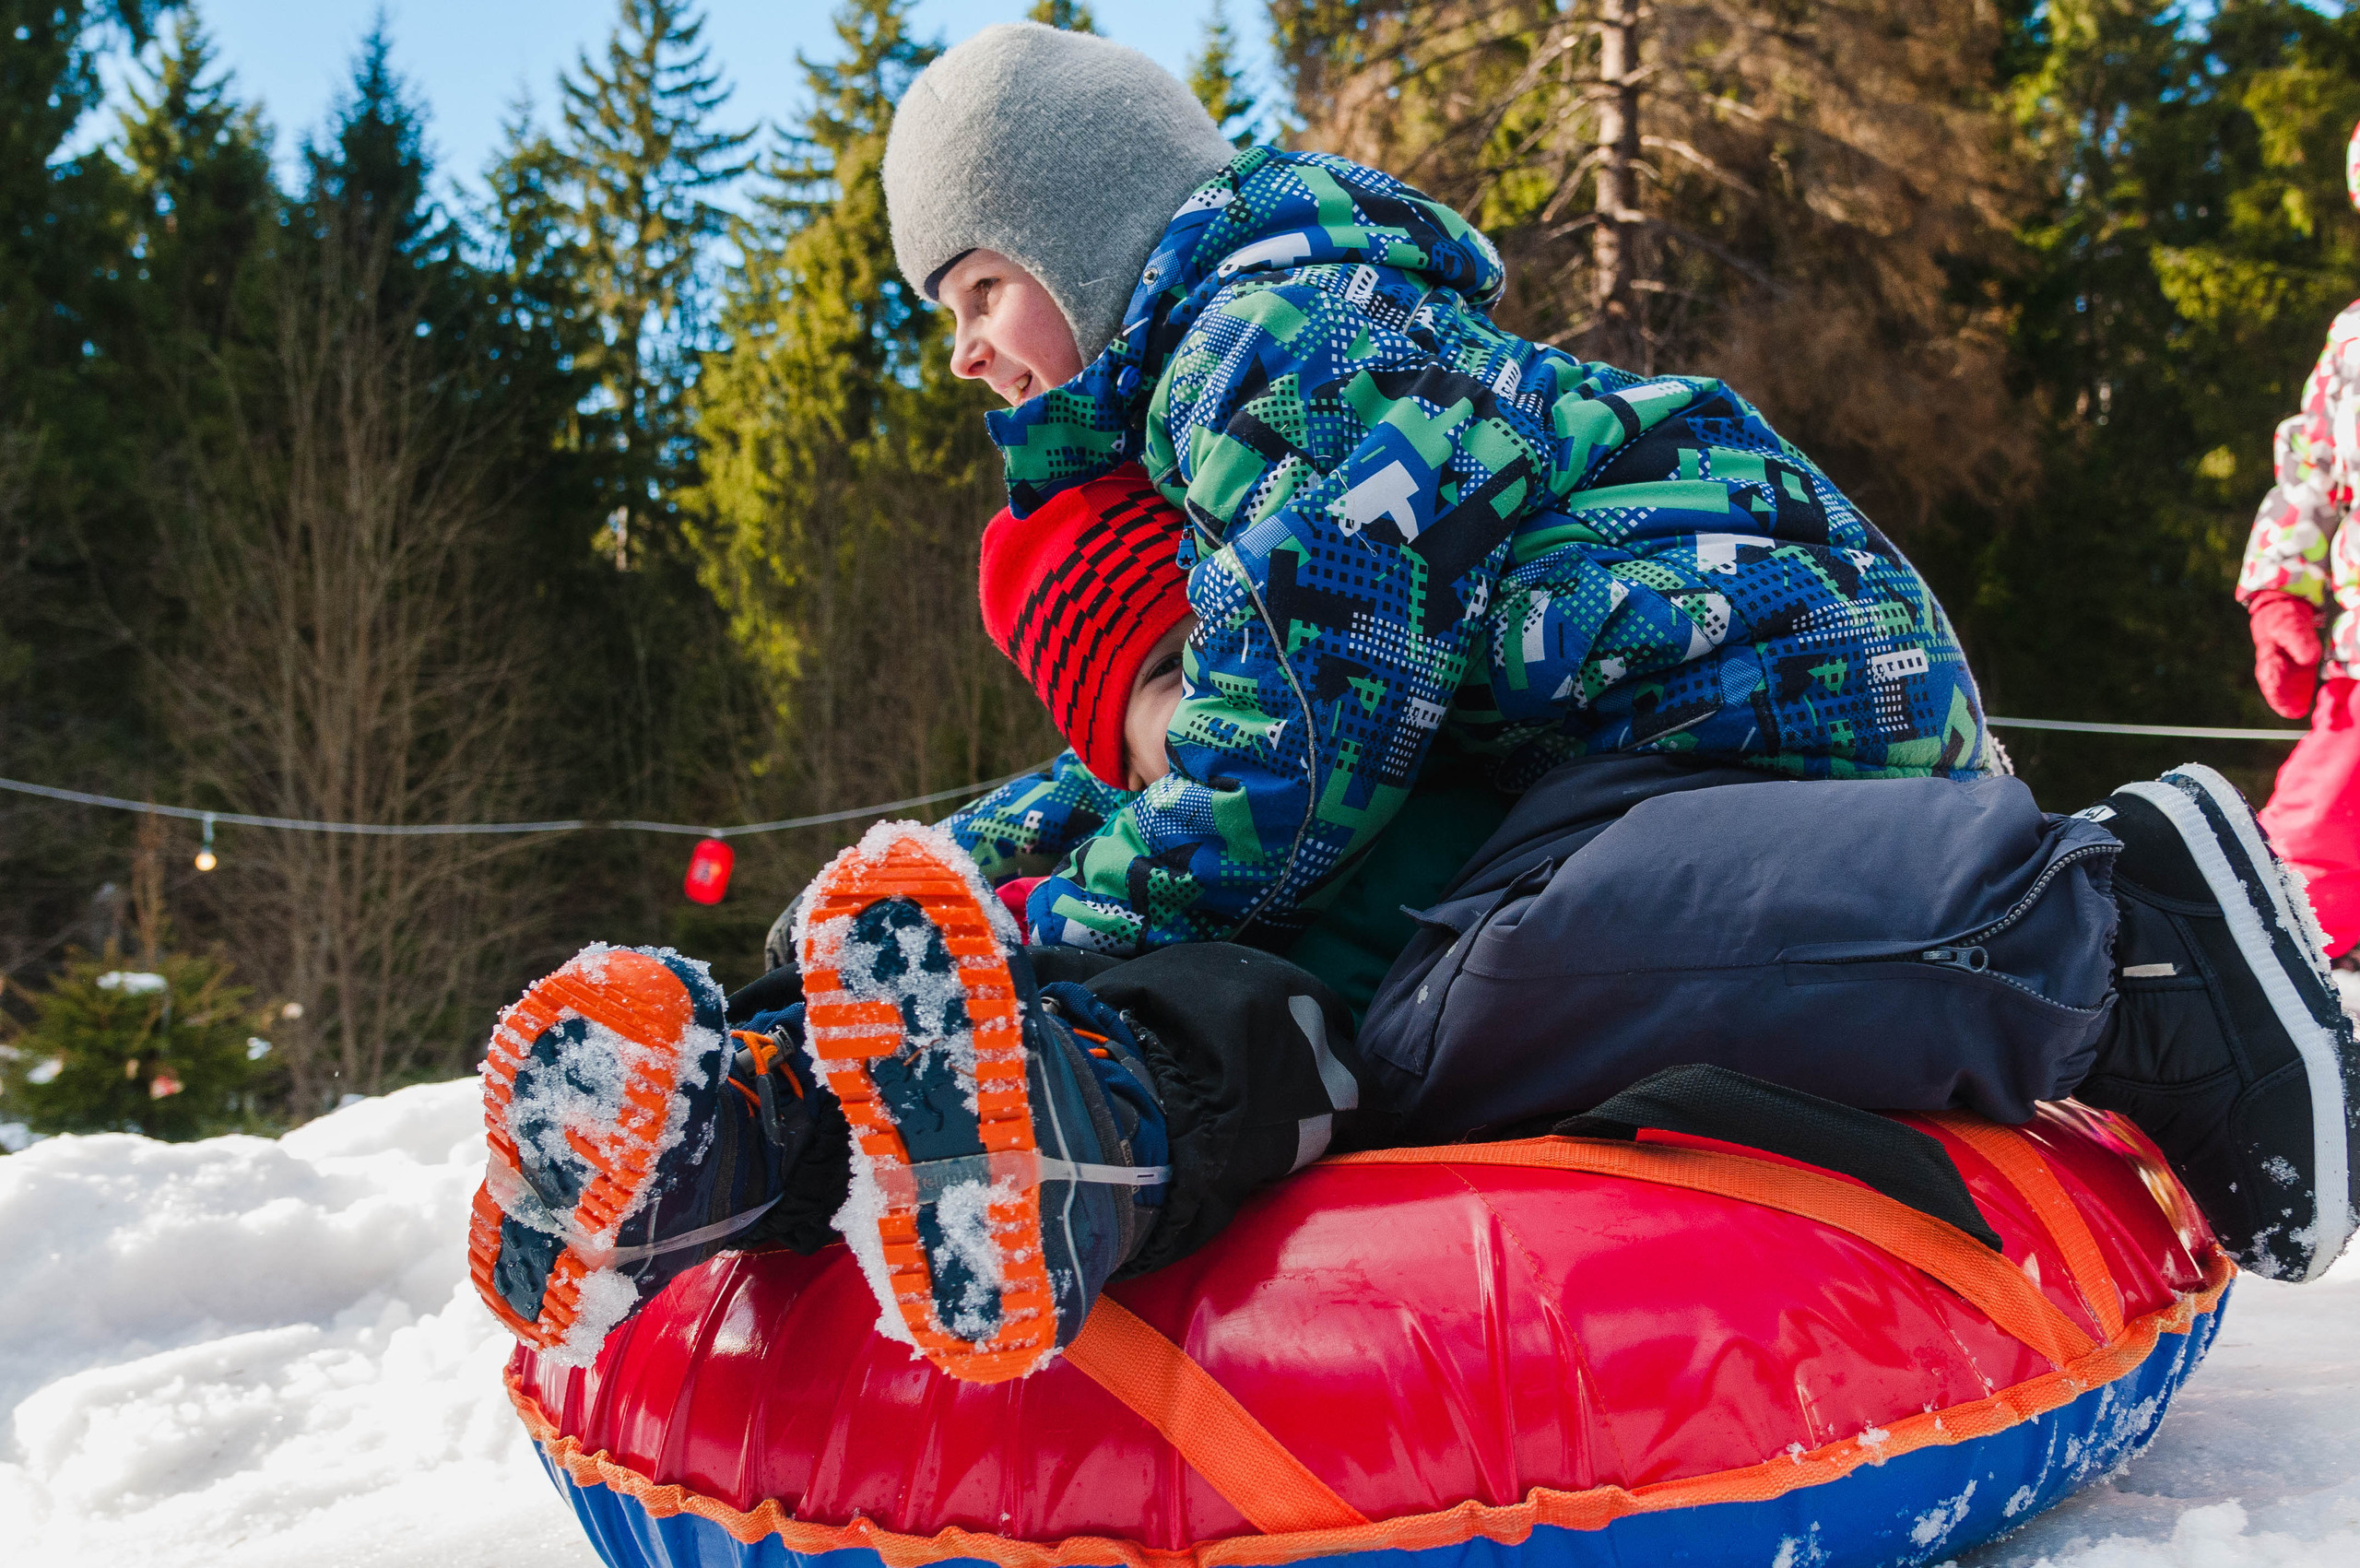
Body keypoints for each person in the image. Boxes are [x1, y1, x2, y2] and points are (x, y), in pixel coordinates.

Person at [467, 24, 2360, 1385]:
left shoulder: (1278, 336)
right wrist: (866, 935)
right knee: (1431, 959)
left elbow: (1286, 731)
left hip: (1737, 695)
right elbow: (1124, 779)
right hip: (1620, 735)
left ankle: (2109, 933)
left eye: (973, 285)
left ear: (1083, 225)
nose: (959, 346)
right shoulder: (1240, 397)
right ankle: (729, 1120)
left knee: (1488, 989)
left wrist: (1089, 924)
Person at [2237, 120, 2360, 967]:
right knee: (2307, 854)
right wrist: (2281, 589)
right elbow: (2310, 474)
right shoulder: (2353, 341)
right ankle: (2261, 985)